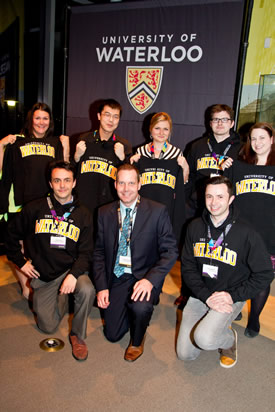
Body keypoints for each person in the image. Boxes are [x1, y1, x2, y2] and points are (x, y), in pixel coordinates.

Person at [176, 176, 273, 368]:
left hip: (230, 294)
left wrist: (232, 296)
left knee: (204, 338)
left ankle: (229, 340)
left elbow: (265, 274)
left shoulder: (246, 232)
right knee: (185, 355)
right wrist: (205, 296)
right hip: (201, 293)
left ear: (230, 199)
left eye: (220, 197)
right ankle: (213, 324)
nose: (213, 203)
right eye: (209, 196)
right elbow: (187, 267)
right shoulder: (194, 227)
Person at [5, 161, 95, 361]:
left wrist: (73, 275)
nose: (62, 185)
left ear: (74, 183)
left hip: (71, 271)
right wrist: (21, 262)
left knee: (87, 289)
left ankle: (78, 335)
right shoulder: (34, 208)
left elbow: (87, 253)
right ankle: (61, 298)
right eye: (57, 180)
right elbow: (10, 236)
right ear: (50, 183)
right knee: (47, 327)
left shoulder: (84, 214)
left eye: (66, 180)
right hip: (44, 274)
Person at [93, 164, 178, 362]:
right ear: (115, 185)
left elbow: (170, 251)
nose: (126, 188)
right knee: (112, 335)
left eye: (131, 183)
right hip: (118, 275)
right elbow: (98, 253)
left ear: (139, 184)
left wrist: (151, 280)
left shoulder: (157, 211)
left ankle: (138, 340)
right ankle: (133, 308)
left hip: (144, 276)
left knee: (140, 308)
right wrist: (102, 286)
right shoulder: (104, 212)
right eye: (121, 183)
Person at [0, 102, 69, 298]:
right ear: (31, 120)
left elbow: (65, 169)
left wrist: (66, 146)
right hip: (22, 203)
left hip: (46, 203)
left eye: (45, 118)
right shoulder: (17, 142)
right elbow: (2, 171)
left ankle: (41, 280)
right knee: (20, 246)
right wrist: (1, 144)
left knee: (41, 242)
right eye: (37, 118)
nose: (41, 122)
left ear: (50, 122)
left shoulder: (55, 142)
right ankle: (25, 285)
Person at [223, 122, 275, 337]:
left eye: (262, 138)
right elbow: (228, 195)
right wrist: (224, 168)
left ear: (272, 140)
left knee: (262, 278)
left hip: (270, 235)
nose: (257, 143)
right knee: (238, 274)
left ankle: (255, 318)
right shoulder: (239, 165)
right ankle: (237, 306)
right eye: (253, 138)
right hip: (242, 233)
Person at [130, 112, 188, 243]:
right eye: (157, 128)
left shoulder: (176, 153)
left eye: (165, 129)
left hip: (165, 210)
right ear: (150, 129)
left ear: (170, 131)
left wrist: (185, 167)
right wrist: (131, 164)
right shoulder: (140, 152)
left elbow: (182, 183)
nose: (161, 132)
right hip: (143, 211)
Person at [74, 98, 132, 216]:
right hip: (84, 204)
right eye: (107, 115)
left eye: (115, 116)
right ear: (99, 116)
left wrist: (122, 159)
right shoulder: (84, 139)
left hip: (109, 207)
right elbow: (71, 171)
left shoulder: (124, 144)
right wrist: (76, 157)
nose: (111, 120)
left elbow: (129, 178)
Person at [186, 104, 242, 215]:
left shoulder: (241, 149)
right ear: (210, 123)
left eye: (224, 120)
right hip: (198, 205)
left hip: (227, 208)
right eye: (216, 119)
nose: (220, 123)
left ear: (232, 123)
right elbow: (189, 175)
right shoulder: (197, 146)